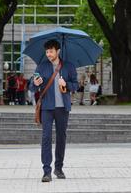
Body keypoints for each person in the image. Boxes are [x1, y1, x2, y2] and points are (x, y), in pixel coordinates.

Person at [29, 39, 78, 182]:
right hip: (46, 108)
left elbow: (76, 85)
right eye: (47, 51)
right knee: (46, 138)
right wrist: (35, 83)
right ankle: (46, 171)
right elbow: (32, 87)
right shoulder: (41, 67)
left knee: (61, 137)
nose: (48, 54)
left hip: (63, 108)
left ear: (58, 51)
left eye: (51, 51)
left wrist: (66, 84)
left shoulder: (69, 67)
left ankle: (59, 168)